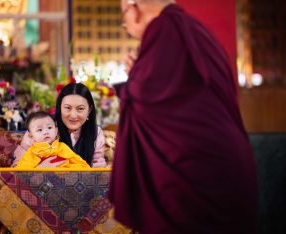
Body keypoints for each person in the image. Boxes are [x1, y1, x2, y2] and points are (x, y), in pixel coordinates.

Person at [108, 1, 257, 234]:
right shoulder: (192, 28)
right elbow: (176, 91)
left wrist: (135, 76)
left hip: (197, 169)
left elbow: (145, 94)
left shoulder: (163, 26)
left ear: (134, 8)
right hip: (222, 157)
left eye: (123, 16)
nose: (125, 25)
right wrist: (141, 71)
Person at [13, 83, 107, 168]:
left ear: (89, 110)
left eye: (80, 109)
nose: (73, 115)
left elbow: (97, 169)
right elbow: (17, 168)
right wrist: (39, 169)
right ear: (60, 107)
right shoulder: (42, 127)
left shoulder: (95, 132)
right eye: (67, 108)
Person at [16, 111, 90, 169]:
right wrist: (40, 168)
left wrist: (66, 168)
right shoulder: (32, 152)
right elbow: (21, 173)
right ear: (31, 136)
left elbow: (83, 166)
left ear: (56, 131)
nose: (46, 132)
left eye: (49, 128)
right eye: (40, 130)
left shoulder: (62, 147)